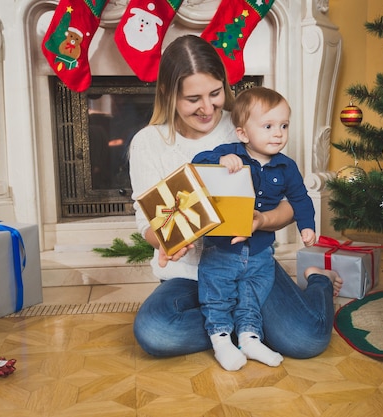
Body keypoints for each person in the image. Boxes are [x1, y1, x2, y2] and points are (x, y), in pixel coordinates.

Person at [129, 34, 342, 361]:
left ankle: (318, 281)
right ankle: (247, 326)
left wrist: (262, 221)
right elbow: (149, 222)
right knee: (157, 331)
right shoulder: (148, 143)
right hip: (188, 276)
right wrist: (166, 241)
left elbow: (289, 200)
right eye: (192, 98)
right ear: (167, 93)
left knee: (306, 339)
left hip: (248, 266)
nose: (207, 107)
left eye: (215, 93)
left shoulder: (249, 122)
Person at [191, 87, 316, 370]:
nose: (278, 134)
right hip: (222, 249)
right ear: (243, 134)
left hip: (260, 251)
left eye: (284, 126)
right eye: (268, 126)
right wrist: (219, 161)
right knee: (217, 296)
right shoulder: (229, 153)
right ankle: (222, 341)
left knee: (252, 296)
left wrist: (307, 226)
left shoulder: (286, 167)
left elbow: (299, 198)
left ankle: (249, 338)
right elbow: (197, 164)